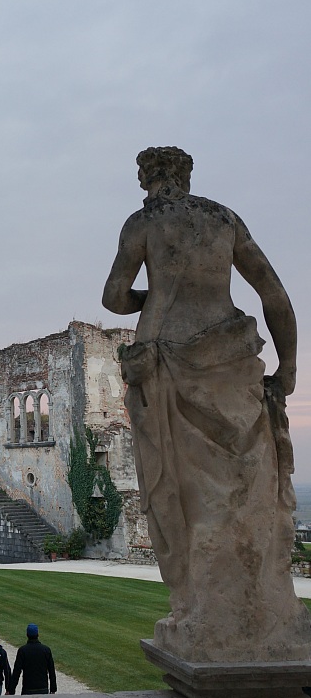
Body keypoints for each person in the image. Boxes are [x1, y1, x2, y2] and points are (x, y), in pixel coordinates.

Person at [102, 146, 311, 662]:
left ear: (146, 178)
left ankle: (197, 607)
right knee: (246, 491)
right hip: (232, 360)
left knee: (177, 491)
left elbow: (112, 296)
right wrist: (286, 368)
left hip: (167, 364)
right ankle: (258, 611)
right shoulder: (223, 219)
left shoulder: (143, 223)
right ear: (187, 177)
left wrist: (153, 298)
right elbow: (276, 298)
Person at [7, 624, 57, 695]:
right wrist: (53, 689)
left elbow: (17, 672)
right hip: (42, 688)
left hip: (28, 689)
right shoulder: (46, 650)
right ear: (38, 634)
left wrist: (11, 690)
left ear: (27, 635)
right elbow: (51, 670)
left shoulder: (23, 650)